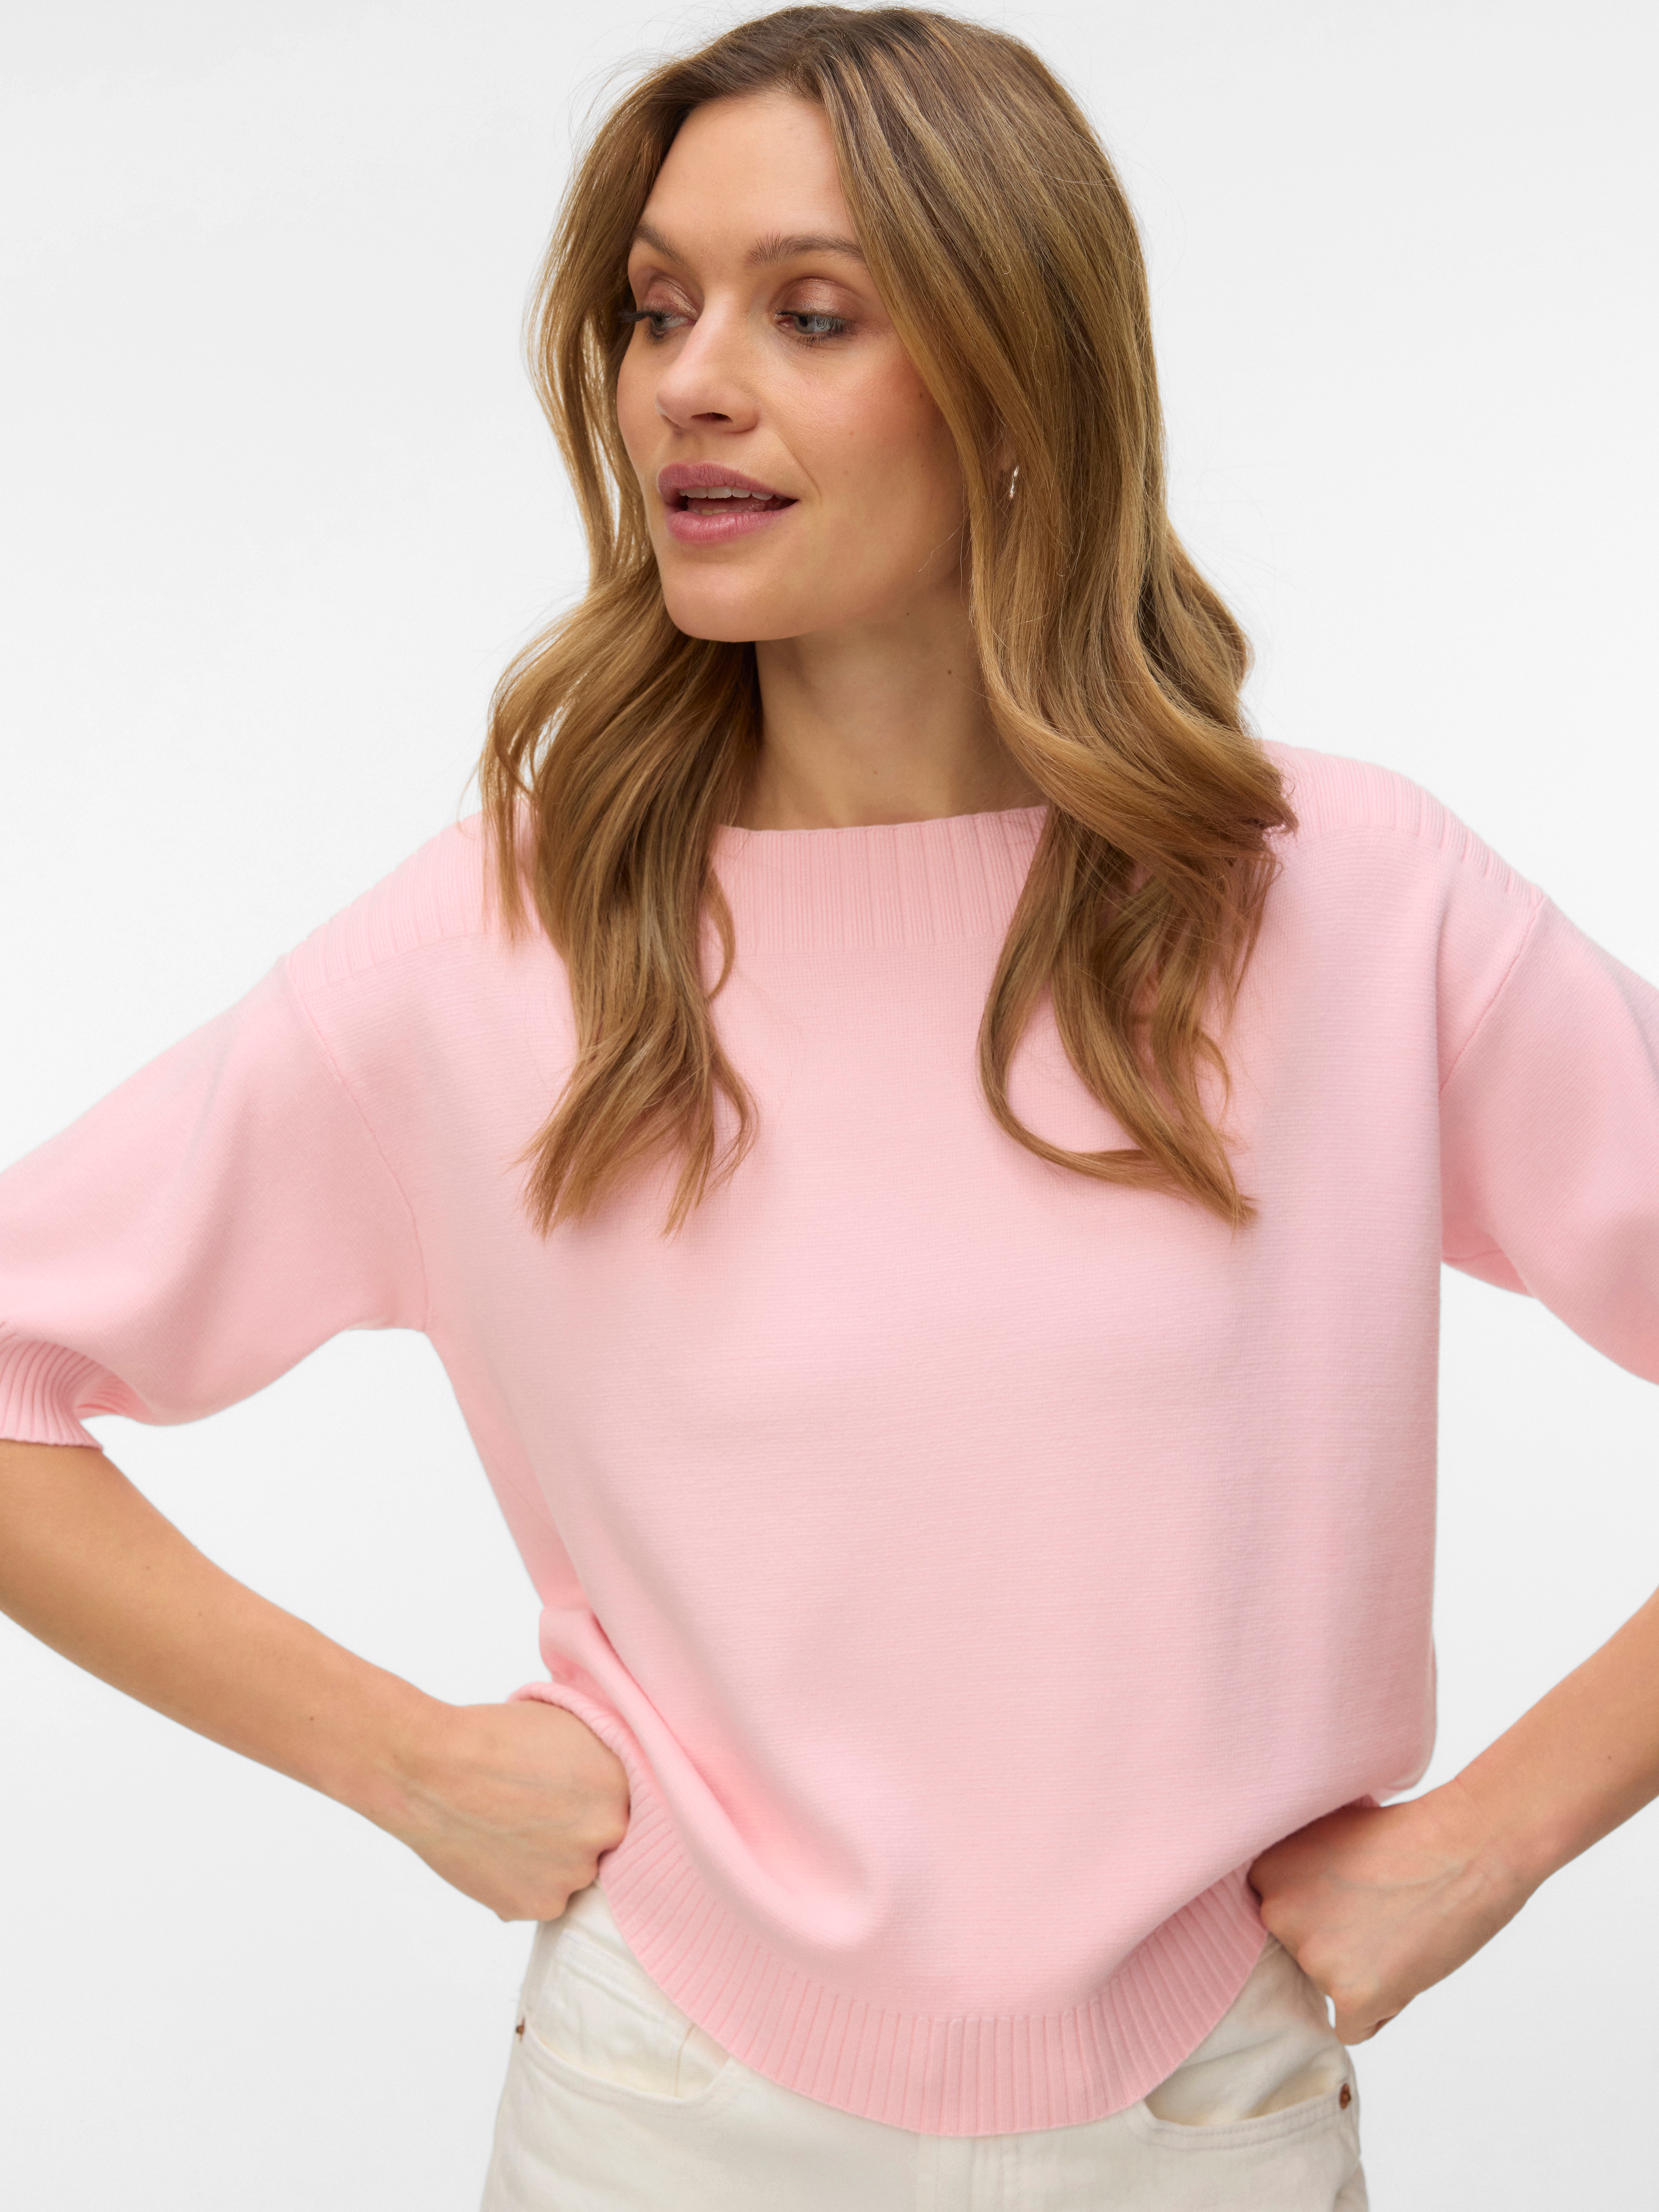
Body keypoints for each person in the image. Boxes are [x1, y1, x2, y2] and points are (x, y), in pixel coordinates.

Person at [2, 5, 1656, 2206]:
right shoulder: (503, 948)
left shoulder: (1354, 907)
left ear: (1017, 378)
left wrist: (1499, 1838)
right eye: (655, 307)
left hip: (1201, 2126)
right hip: (664, 2118)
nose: (687, 382)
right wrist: (397, 1762)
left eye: (809, 313)